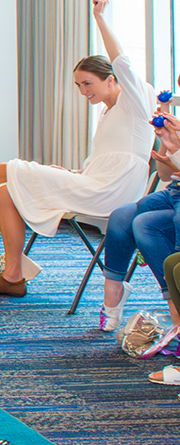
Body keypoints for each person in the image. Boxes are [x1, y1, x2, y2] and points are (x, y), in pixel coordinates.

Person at [0, 0, 154, 297]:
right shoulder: (107, 113)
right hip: (94, 183)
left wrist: (99, 18)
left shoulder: (136, 102)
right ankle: (11, 274)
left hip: (113, 193)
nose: (83, 91)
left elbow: (120, 61)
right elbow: (102, 161)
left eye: (88, 83)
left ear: (112, 80)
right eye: (78, 85)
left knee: (7, 169)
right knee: (4, 190)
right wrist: (72, 173)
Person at [95, 105, 180, 330]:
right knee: (122, 216)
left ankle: (175, 306)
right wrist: (167, 142)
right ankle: (113, 293)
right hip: (176, 191)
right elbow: (164, 175)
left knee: (145, 224)